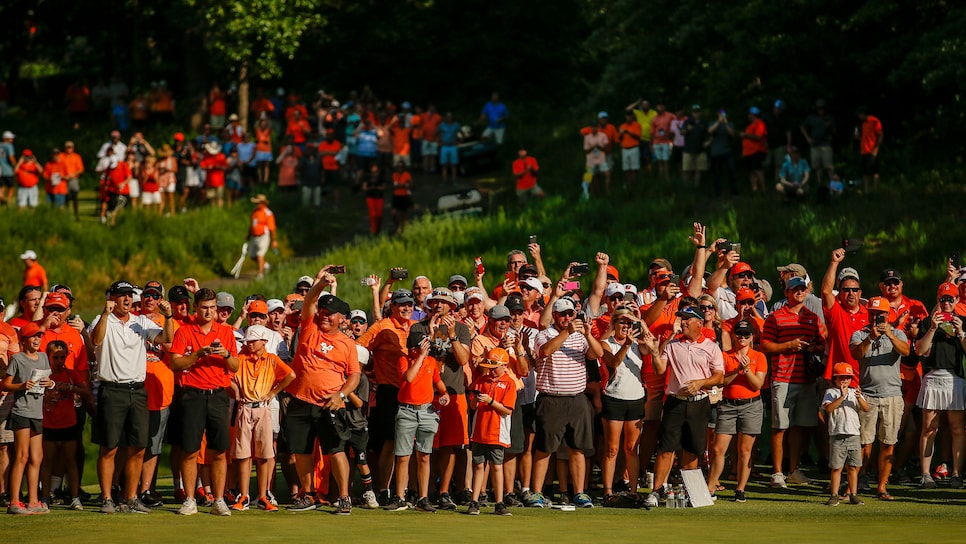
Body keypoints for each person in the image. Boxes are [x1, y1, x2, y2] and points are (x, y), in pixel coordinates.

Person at [89, 280, 174, 514]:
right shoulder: (101, 320)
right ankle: (107, 498)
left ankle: (131, 497)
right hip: (112, 389)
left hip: (137, 390)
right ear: (112, 299)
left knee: (138, 447)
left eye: (130, 295)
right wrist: (105, 315)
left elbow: (166, 339)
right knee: (110, 447)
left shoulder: (141, 321)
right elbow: (95, 340)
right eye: (121, 295)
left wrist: (168, 317)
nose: (127, 299)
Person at [526, 298, 603, 509]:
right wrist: (567, 332)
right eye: (563, 314)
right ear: (555, 316)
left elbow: (598, 353)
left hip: (577, 399)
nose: (567, 318)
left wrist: (587, 333)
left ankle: (579, 492)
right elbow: (545, 351)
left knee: (577, 448)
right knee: (545, 448)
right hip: (551, 399)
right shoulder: (544, 334)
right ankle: (537, 493)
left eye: (570, 314)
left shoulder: (580, 337)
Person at [644, 307, 724, 508]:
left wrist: (701, 383)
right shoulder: (672, 344)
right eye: (682, 319)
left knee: (691, 450)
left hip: (699, 403)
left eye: (687, 319)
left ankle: (690, 493)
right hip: (675, 402)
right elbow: (660, 369)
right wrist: (655, 352)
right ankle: (655, 492)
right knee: (665, 448)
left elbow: (719, 376)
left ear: (699, 323)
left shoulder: (711, 346)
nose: (683, 322)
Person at [169, 288, 240, 516]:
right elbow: (176, 364)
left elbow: (236, 366)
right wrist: (197, 355)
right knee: (189, 449)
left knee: (219, 450)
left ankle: (219, 500)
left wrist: (226, 354)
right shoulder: (185, 332)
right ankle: (190, 499)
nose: (209, 312)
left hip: (218, 394)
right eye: (204, 308)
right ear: (195, 308)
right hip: (192, 395)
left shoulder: (225, 332)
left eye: (212, 308)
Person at [409, 288, 472, 511]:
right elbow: (419, 354)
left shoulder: (462, 329)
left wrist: (451, 334)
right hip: (425, 395)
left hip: (453, 393)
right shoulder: (418, 327)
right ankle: (423, 492)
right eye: (435, 302)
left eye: (444, 303)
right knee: (425, 447)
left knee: (450, 447)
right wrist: (434, 333)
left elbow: (463, 359)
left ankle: (444, 491)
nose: (438, 306)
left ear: (452, 307)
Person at [761, 275, 825, 489]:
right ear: (787, 293)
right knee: (780, 426)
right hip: (783, 377)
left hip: (805, 379)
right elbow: (766, 346)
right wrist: (789, 345)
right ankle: (778, 472)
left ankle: (793, 470)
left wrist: (813, 348)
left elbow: (821, 344)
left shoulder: (812, 317)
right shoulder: (775, 317)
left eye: (802, 289)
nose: (799, 292)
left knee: (799, 426)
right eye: (794, 289)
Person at [230, 325, 295, 511]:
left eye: (253, 341)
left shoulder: (272, 360)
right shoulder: (240, 359)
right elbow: (227, 377)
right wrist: (236, 391)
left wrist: (273, 392)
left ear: (264, 342)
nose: (249, 344)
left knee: (265, 454)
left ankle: (263, 496)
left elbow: (291, 375)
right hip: (245, 407)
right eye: (248, 341)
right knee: (243, 455)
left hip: (263, 407)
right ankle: (243, 496)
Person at [849, 296, 908, 499]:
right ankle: (856, 482)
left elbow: (906, 351)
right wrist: (870, 338)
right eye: (873, 313)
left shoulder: (898, 333)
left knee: (888, 442)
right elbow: (856, 354)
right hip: (867, 395)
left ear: (887, 315)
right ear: (868, 314)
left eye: (880, 314)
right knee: (864, 442)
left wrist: (890, 335)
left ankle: (882, 486)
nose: (876, 317)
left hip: (892, 396)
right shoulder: (860, 333)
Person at [383, 331, 450, 512]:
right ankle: (399, 497)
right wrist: (420, 356)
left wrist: (444, 394)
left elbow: (437, 382)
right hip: (407, 411)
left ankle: (423, 497)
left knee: (424, 456)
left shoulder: (431, 362)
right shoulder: (404, 360)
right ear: (414, 348)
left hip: (426, 411)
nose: (427, 348)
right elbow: (409, 378)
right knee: (403, 456)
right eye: (423, 345)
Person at [707, 319, 767, 503]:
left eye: (746, 334)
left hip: (751, 405)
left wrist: (746, 370)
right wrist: (737, 370)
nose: (742, 337)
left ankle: (740, 489)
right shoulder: (725, 356)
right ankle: (711, 487)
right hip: (728, 404)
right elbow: (720, 382)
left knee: (744, 451)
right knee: (718, 449)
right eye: (739, 334)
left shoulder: (759, 356)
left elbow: (758, 384)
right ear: (733, 335)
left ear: (752, 337)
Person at [598, 308, 654, 501]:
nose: (625, 327)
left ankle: (633, 490)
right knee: (612, 448)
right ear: (614, 324)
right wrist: (626, 345)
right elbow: (613, 363)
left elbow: (652, 346)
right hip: (614, 398)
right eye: (622, 322)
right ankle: (607, 490)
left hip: (636, 398)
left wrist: (641, 321)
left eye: (629, 324)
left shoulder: (638, 344)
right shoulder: (606, 343)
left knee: (631, 448)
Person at [915, 282, 966, 489]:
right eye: (943, 299)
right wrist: (933, 329)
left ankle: (956, 473)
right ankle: (925, 474)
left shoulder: (963, 321)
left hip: (955, 379)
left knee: (957, 428)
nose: (946, 303)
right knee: (929, 428)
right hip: (933, 377)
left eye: (950, 299)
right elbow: (920, 351)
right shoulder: (928, 322)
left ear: (956, 301)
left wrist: (961, 332)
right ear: (938, 300)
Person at [3, 323, 54, 515]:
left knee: (37, 456)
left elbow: (47, 380)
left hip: (37, 412)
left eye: (39, 337)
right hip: (21, 411)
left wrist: (49, 383)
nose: (37, 340)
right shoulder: (17, 359)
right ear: (24, 339)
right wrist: (22, 385)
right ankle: (14, 501)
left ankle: (33, 501)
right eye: (33, 336)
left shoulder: (43, 357)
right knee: (22, 456)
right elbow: (6, 384)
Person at [466, 347, 517, 516]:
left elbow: (507, 410)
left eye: (495, 367)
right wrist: (475, 401)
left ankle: (500, 502)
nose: (492, 371)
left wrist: (490, 401)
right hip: (480, 429)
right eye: (490, 367)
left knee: (497, 466)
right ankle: (474, 501)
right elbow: (472, 403)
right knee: (478, 465)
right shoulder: (482, 379)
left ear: (504, 366)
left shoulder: (509, 382)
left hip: (497, 431)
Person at [822, 363, 870, 506]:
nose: (844, 381)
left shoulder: (854, 392)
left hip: (853, 434)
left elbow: (866, 408)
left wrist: (860, 397)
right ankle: (834, 494)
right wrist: (842, 397)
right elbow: (829, 409)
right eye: (841, 377)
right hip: (837, 434)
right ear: (835, 378)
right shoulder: (830, 392)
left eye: (847, 378)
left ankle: (853, 494)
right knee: (836, 467)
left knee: (853, 467)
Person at [800, 99, 836, 187]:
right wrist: (808, 138)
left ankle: (833, 184)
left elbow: (834, 131)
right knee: (817, 167)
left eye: (822, 108)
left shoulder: (829, 117)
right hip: (814, 145)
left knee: (829, 166)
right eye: (819, 109)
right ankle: (819, 184)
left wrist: (830, 127)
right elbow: (802, 127)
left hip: (826, 144)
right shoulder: (811, 118)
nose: (820, 110)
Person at [707, 108, 737, 196]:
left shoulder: (729, 123)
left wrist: (726, 123)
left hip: (727, 151)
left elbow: (732, 134)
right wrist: (718, 122)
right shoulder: (713, 122)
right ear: (717, 114)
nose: (722, 115)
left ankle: (734, 191)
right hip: (716, 152)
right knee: (717, 173)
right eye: (720, 114)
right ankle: (717, 192)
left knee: (732, 171)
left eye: (724, 113)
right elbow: (710, 131)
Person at [247, 194, 277, 279]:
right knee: (253, 256)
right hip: (254, 236)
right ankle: (266, 265)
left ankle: (260, 274)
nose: (257, 204)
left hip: (263, 236)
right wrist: (249, 235)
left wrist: (274, 240)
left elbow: (272, 228)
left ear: (263, 203)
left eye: (258, 203)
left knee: (259, 255)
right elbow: (252, 225)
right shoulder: (254, 211)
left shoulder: (268, 213)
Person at [680, 105, 710, 187]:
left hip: (700, 150)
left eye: (698, 112)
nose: (696, 114)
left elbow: (710, 134)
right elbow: (681, 133)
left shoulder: (704, 122)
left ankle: (697, 186)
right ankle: (685, 187)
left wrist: (708, 142)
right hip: (688, 150)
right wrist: (687, 130)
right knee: (686, 170)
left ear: (700, 112)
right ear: (692, 113)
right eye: (694, 112)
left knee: (698, 170)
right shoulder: (687, 121)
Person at [739, 107, 768, 193]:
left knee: (758, 170)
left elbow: (758, 137)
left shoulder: (760, 123)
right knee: (751, 171)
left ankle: (763, 190)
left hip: (756, 151)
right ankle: (754, 189)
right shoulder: (750, 126)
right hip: (748, 152)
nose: (748, 115)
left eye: (750, 114)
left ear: (753, 114)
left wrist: (745, 135)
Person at [856, 107, 883, 193]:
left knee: (875, 171)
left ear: (864, 114)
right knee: (865, 172)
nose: (859, 117)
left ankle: (875, 190)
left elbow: (880, 135)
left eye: (860, 115)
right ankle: (866, 190)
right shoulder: (862, 124)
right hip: (864, 150)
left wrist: (876, 149)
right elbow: (862, 136)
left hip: (872, 150)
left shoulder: (874, 121)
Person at [650, 101, 676, 181]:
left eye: (661, 106)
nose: (660, 108)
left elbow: (677, 121)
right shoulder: (654, 118)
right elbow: (652, 132)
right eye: (658, 106)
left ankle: (667, 179)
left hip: (666, 141)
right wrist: (651, 144)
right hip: (656, 142)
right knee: (659, 162)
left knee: (666, 161)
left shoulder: (670, 116)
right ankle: (661, 180)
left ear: (664, 107)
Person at [618, 111, 642, 188]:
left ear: (633, 117)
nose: (629, 117)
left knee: (634, 168)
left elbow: (638, 137)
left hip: (634, 148)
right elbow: (619, 139)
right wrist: (621, 134)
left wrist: (628, 132)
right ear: (626, 117)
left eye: (630, 116)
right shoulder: (622, 126)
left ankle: (634, 184)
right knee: (626, 168)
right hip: (625, 149)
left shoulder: (637, 125)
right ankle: (628, 184)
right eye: (627, 116)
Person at [390, 161, 413, 235]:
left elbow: (411, 185)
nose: (400, 168)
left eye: (401, 167)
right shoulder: (394, 175)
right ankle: (398, 226)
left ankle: (404, 230)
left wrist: (404, 185)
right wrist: (403, 185)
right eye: (398, 167)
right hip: (396, 196)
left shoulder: (407, 175)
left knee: (403, 215)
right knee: (393, 214)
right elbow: (394, 185)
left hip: (404, 195)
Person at [438, 113, 461, 182]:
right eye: (448, 117)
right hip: (444, 146)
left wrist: (459, 142)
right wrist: (439, 142)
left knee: (454, 164)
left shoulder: (456, 125)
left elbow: (461, 133)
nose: (449, 118)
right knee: (444, 164)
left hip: (453, 146)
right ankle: (444, 179)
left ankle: (454, 179)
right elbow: (437, 133)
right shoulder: (442, 125)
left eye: (450, 117)